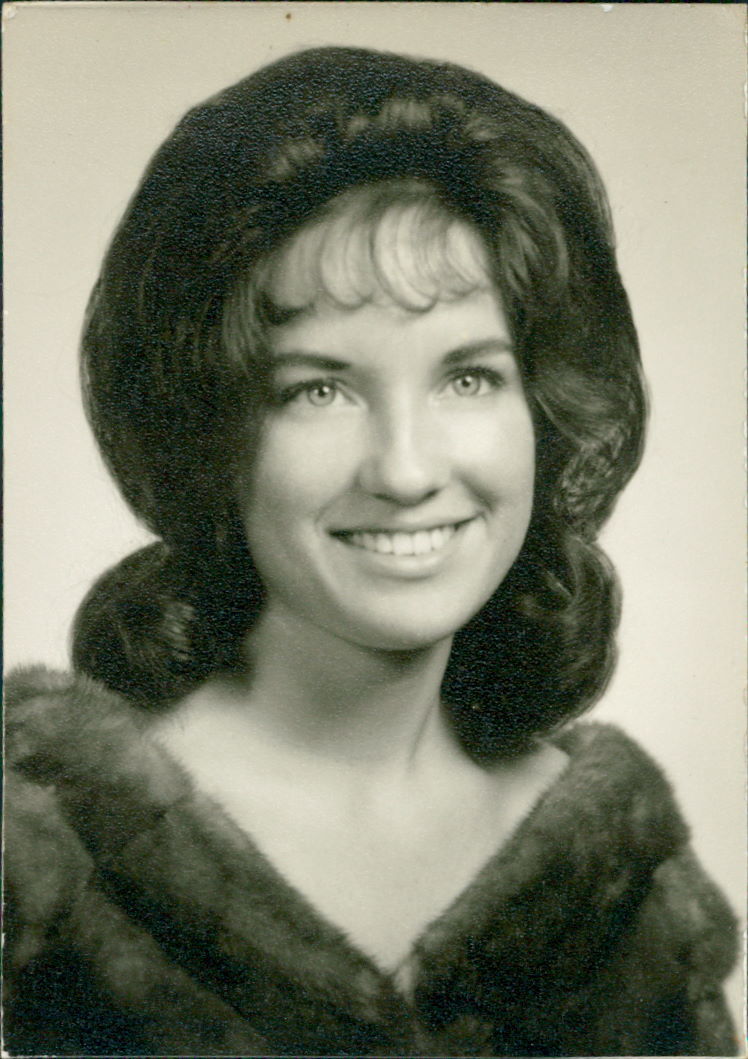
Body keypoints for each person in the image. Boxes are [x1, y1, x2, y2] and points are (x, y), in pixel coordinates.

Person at [3, 45, 738, 1057]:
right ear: (209, 433)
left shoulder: (628, 895)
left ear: (545, 414)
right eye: (319, 388)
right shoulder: (34, 850)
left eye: (469, 378)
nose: (403, 469)